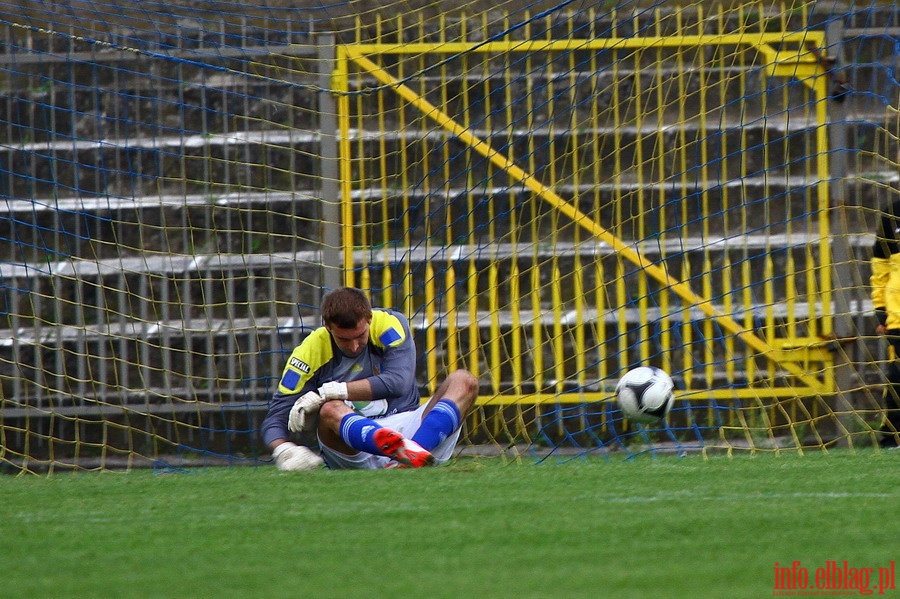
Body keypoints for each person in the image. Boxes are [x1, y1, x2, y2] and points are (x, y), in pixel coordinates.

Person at [262, 287, 479, 470]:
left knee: (464, 381)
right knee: (330, 409)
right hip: (352, 447)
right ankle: (404, 454)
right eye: (344, 339)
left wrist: (328, 392)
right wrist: (283, 449)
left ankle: (410, 458)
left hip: (407, 427)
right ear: (328, 327)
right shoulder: (310, 351)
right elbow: (276, 417)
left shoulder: (389, 324)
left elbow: (398, 382)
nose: (354, 346)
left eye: (360, 336)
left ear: (369, 319)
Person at [870, 198, 900, 448]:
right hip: (898, 314)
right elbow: (880, 268)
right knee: (897, 375)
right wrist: (880, 310)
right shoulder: (892, 212)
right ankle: (891, 437)